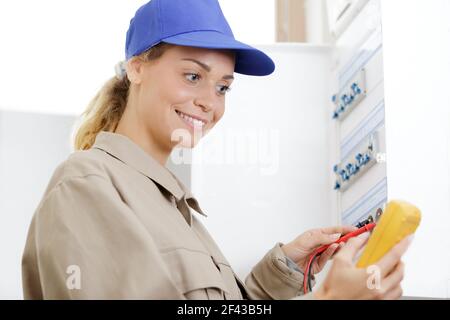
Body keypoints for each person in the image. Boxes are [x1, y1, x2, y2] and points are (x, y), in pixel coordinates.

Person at [21, 0, 410, 300]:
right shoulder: (85, 185)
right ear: (137, 68)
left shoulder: (174, 209)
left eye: (223, 87)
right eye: (193, 76)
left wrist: (282, 269)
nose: (211, 103)